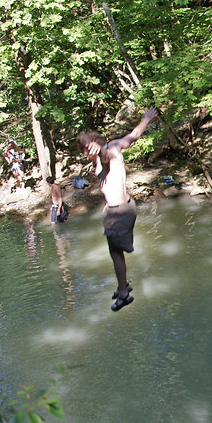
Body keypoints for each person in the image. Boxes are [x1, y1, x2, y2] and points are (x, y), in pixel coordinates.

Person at [77, 105, 158, 312]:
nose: (87, 154)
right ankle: (123, 284)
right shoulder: (116, 145)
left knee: (115, 252)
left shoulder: (107, 155)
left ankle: (124, 293)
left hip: (118, 212)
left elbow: (106, 158)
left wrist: (100, 151)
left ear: (94, 147)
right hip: (127, 207)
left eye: (87, 150)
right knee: (116, 251)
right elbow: (135, 135)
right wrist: (146, 119)